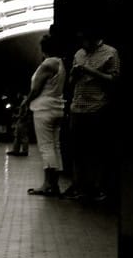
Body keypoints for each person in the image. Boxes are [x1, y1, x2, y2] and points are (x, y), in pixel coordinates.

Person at [64, 25, 121, 202]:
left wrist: (90, 71)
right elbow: (71, 82)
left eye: (86, 41)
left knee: (97, 150)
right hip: (77, 107)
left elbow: (114, 79)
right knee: (77, 150)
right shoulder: (79, 54)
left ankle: (97, 188)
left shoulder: (111, 53)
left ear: (95, 39)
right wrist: (73, 74)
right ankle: (79, 186)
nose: (83, 45)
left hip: (97, 108)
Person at [22, 34, 67, 196]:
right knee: (55, 146)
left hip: (44, 109)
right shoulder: (61, 63)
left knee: (46, 147)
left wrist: (25, 102)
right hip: (57, 107)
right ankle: (54, 184)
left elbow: (36, 89)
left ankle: (47, 184)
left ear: (44, 48)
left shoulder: (47, 64)